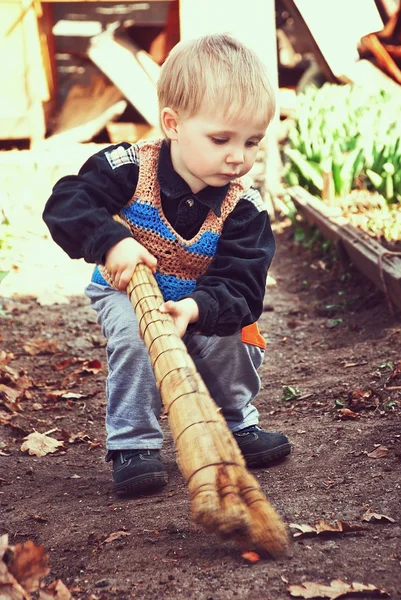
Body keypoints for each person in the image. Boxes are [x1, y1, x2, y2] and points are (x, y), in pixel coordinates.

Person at [43, 33, 291, 496]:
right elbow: (67, 202)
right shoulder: (131, 166)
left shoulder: (244, 207)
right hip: (126, 289)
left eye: (252, 141)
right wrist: (111, 243)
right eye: (221, 139)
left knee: (231, 338)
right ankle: (133, 444)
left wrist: (196, 310)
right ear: (173, 124)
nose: (239, 157)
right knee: (138, 339)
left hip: (199, 300)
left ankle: (234, 422)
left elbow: (243, 285)